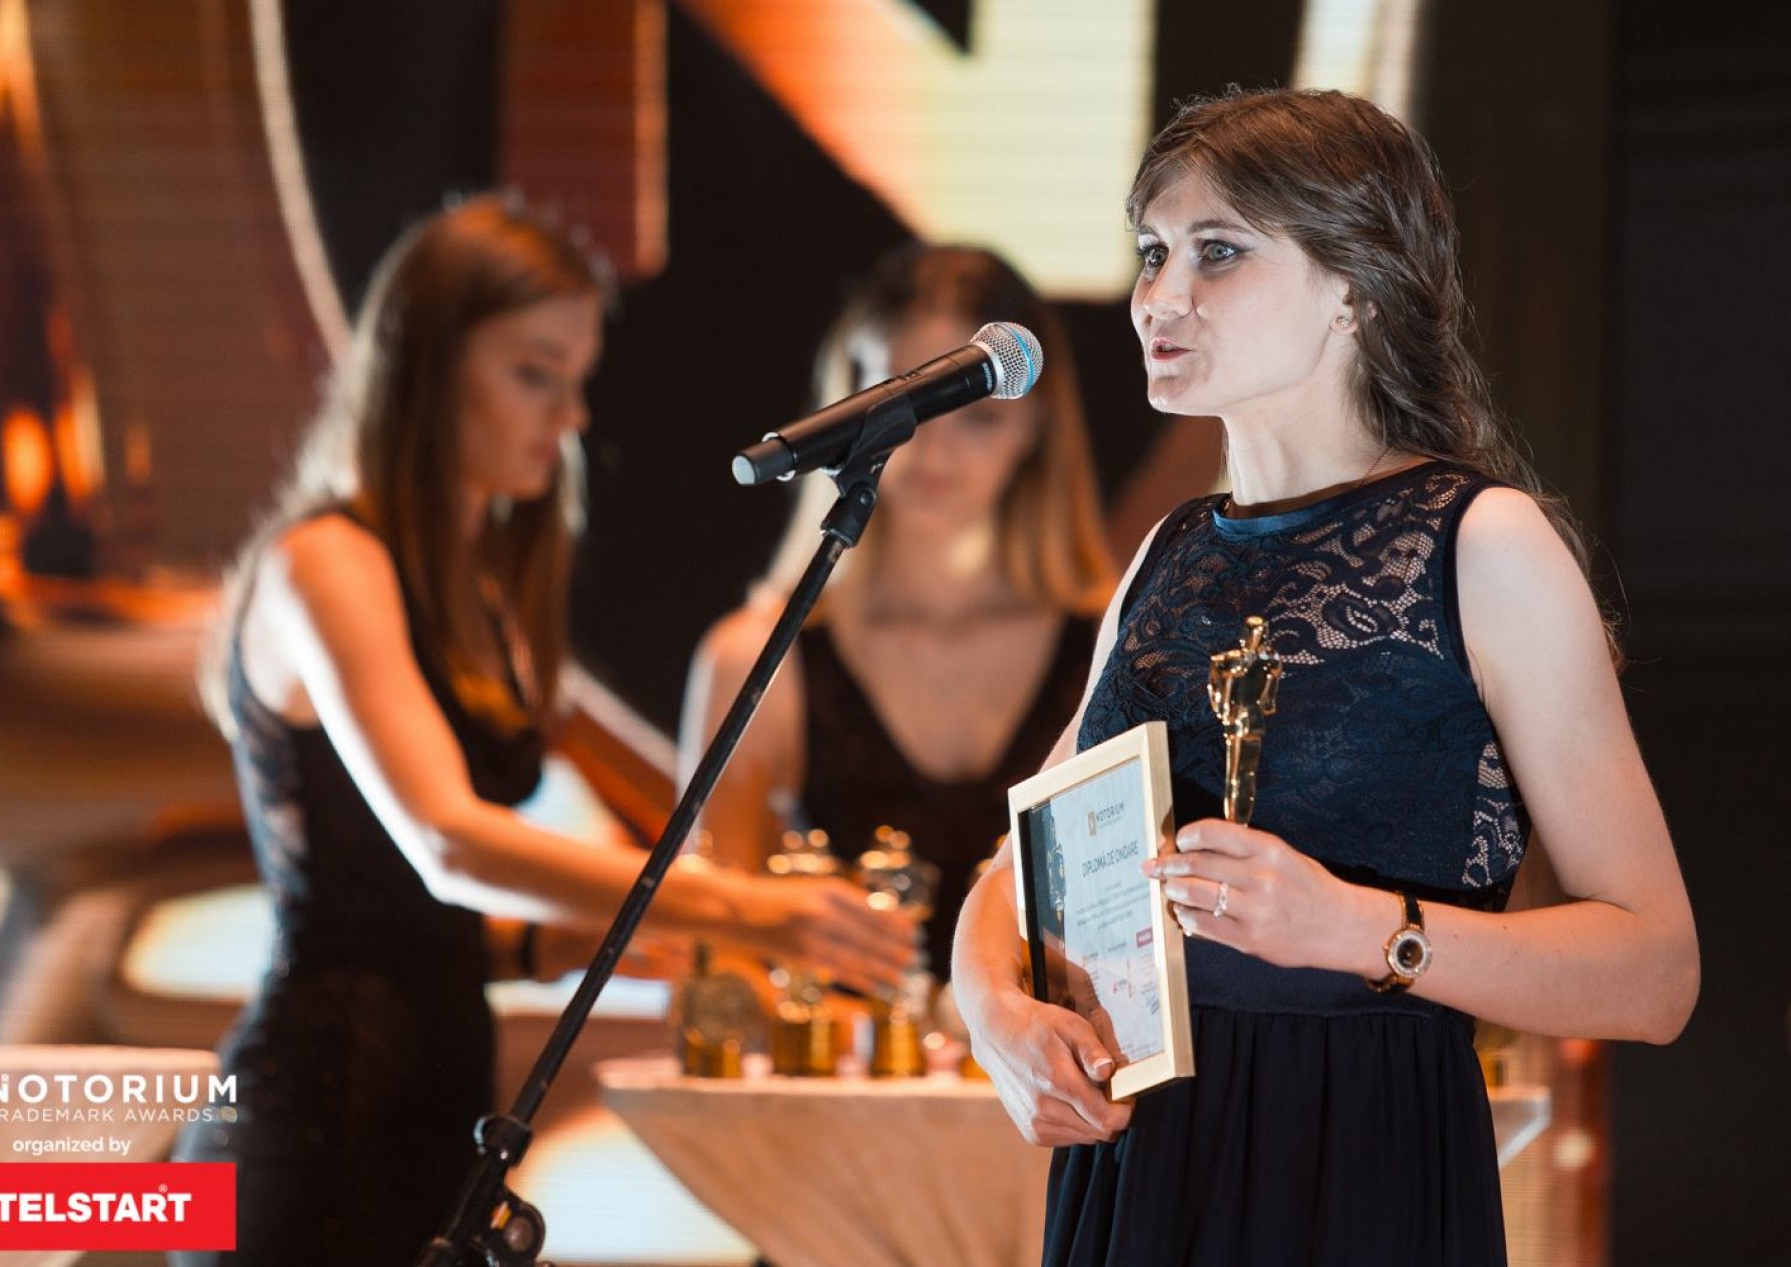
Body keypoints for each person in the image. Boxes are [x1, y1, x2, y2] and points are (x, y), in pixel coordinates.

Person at [951, 88, 1698, 1265]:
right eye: (1151, 251)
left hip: (1357, 1158)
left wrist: (1357, 929)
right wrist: (993, 1015)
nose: (1159, 296)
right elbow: (1021, 863)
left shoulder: (1483, 543)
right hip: (1140, 1166)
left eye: (1217, 251)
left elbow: (1655, 972)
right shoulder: (1167, 553)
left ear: (1355, 286)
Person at [171, 195, 914, 1267]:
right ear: (424, 366)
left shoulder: (478, 584)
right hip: (317, 1120)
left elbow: (411, 921)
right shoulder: (326, 562)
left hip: (433, 1111)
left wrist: (569, 943)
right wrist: (752, 908)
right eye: (534, 373)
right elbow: (445, 842)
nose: (569, 417)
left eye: (578, 379)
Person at [681, 243, 1118, 979]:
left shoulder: (1121, 643)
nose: (935, 450)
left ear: (1037, 429)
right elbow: (715, 966)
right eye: (908, 408)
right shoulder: (757, 658)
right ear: (848, 401)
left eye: (978, 417)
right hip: (839, 1050)